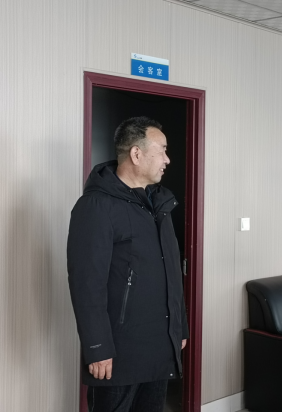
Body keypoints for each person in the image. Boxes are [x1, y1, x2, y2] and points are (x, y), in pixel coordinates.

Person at [67, 116, 189, 412]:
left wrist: (180, 327)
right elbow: (87, 284)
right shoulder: (96, 206)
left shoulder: (160, 205)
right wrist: (97, 347)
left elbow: (171, 273)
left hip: (159, 342)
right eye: (162, 150)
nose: (167, 160)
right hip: (118, 349)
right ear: (136, 154)